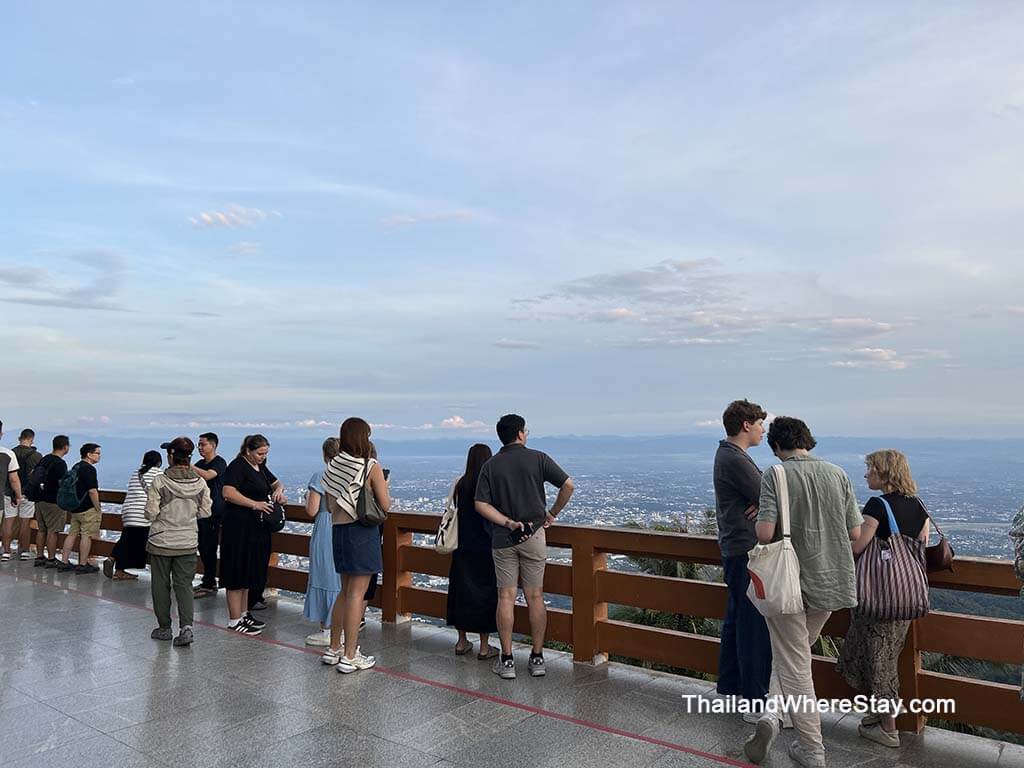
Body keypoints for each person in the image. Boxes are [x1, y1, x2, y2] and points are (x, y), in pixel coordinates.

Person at [742, 417, 862, 768]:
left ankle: (812, 748)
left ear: (777, 446)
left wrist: (761, 518)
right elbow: (855, 532)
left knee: (794, 662)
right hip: (831, 581)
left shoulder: (776, 474)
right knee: (793, 654)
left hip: (789, 584)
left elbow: (765, 533)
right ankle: (772, 715)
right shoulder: (838, 473)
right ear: (807, 440)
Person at [836, 450, 930, 748]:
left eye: (871, 469)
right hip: (905, 597)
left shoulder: (878, 505)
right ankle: (878, 716)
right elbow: (922, 544)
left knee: (879, 662)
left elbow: (858, 546)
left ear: (885, 473)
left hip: (878, 597)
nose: (867, 474)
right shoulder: (919, 505)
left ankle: (888, 728)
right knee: (887, 656)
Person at [475, 414, 574, 680]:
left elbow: (480, 504)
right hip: (534, 535)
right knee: (535, 597)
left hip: (503, 538)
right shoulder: (538, 458)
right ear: (520, 433)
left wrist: (507, 522)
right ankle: (537, 657)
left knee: (505, 597)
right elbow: (568, 485)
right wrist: (551, 513)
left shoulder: (491, 465)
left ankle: (507, 660)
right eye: (525, 431)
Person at [713, 400, 773, 721]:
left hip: (734, 549)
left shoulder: (728, 455)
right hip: (746, 551)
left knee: (738, 619)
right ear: (746, 425)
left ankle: (731, 687)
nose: (763, 429)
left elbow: (763, 497)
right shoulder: (735, 458)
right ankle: (754, 701)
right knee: (753, 625)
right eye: (760, 423)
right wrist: (766, 503)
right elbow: (770, 494)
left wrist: (762, 504)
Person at [319, 417, 390, 673]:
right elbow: (385, 504)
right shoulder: (370, 466)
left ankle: (334, 648)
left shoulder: (334, 466)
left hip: (338, 531)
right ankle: (350, 656)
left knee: (345, 592)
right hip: (362, 533)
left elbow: (329, 505)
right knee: (356, 596)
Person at [145, 437, 212, 646]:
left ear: (171, 456)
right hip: (187, 541)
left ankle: (164, 628)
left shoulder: (160, 482)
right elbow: (205, 512)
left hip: (161, 541)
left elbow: (150, 513)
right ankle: (186, 627)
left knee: (160, 585)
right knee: (184, 585)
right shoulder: (200, 483)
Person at [220, 434, 284, 634]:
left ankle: (244, 613)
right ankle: (234, 619)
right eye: (259, 454)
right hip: (238, 526)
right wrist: (254, 504)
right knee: (236, 571)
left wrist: (278, 491)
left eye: (265, 454)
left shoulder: (260, 467)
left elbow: (276, 482)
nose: (262, 457)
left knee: (248, 571)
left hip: (255, 528)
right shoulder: (238, 466)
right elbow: (228, 492)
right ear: (248, 450)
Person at [446, 443, 499, 659]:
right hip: (486, 546)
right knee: (486, 595)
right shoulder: (491, 484)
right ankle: (485, 646)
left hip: (462, 545)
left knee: (461, 592)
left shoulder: (460, 483)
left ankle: (461, 641)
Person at [303, 437, 343, 646]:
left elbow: (311, 510)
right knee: (340, 581)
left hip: (326, 528)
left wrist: (306, 499)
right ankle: (342, 629)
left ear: (325, 456)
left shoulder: (320, 476)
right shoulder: (350, 476)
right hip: (344, 527)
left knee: (324, 576)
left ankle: (327, 630)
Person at [103, 450, 162, 580]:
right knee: (140, 541)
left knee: (127, 538)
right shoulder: (158, 473)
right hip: (143, 513)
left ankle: (113, 560)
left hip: (128, 511)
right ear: (158, 462)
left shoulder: (137, 473)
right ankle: (120, 569)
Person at [58, 443, 103, 574]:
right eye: (97, 453)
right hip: (87, 509)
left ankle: (64, 562)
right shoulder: (89, 469)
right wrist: (97, 507)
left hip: (75, 507)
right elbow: (92, 491)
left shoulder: (76, 466)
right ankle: (83, 564)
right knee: (86, 536)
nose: (99, 456)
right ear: (89, 454)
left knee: (72, 534)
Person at [192, 432, 227, 598]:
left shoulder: (219, 462)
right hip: (201, 511)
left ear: (213, 445)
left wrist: (188, 465)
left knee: (210, 547)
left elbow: (208, 475)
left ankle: (210, 582)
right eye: (199, 444)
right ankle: (208, 580)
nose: (200, 447)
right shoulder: (200, 463)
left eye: (203, 444)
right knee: (203, 547)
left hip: (215, 512)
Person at [32, 435, 71, 567]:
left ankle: (39, 556)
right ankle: (51, 558)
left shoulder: (44, 459)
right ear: (65, 447)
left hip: (39, 499)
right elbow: (63, 483)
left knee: (41, 530)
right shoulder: (60, 463)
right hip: (53, 501)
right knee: (53, 531)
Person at [3, 428, 39, 561]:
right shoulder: (36, 456)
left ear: (19, 438)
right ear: (32, 440)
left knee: (8, 522)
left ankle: (6, 551)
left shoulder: (10, 453)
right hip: (27, 494)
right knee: (25, 523)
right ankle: (24, 550)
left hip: (10, 493)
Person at [0, 421, 25, 562]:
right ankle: (6, 551)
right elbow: (14, 479)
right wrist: (18, 496)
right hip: (4, 495)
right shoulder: (8, 454)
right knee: (8, 523)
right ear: (1, 434)